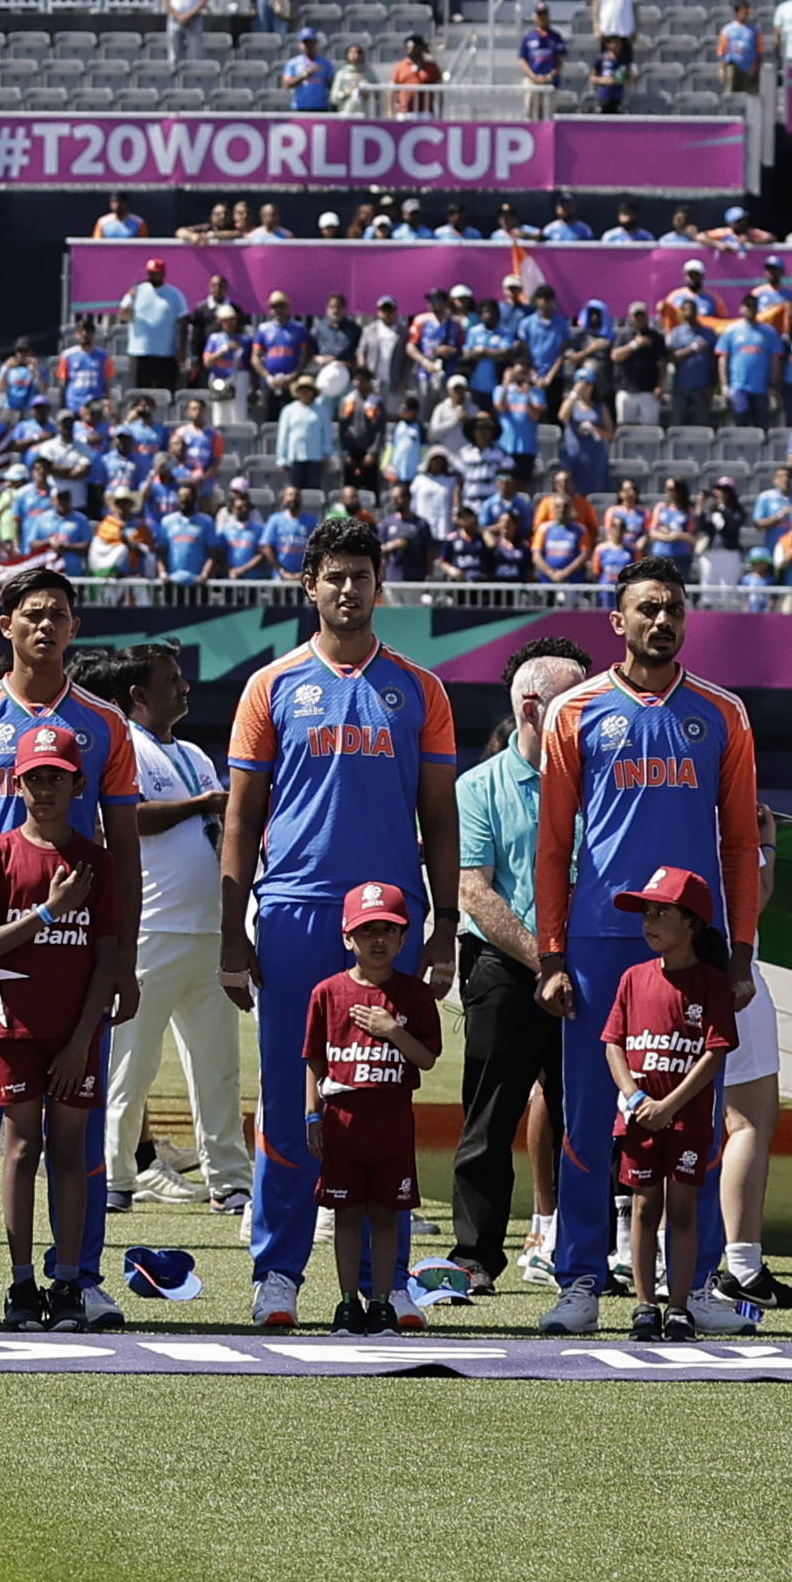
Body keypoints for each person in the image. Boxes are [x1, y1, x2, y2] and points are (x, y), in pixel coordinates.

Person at [218, 517, 460, 1327]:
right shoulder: (272, 685)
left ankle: (377, 1285)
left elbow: (440, 816)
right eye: (334, 575)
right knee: (294, 1097)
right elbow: (242, 819)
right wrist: (232, 927)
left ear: (378, 585)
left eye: (361, 574)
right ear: (308, 585)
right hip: (294, 907)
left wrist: (446, 920)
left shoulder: (419, 688)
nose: (347, 588)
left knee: (378, 1094)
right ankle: (278, 1272)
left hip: (389, 916)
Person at [533, 561, 761, 1336]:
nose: (662, 621)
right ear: (617, 622)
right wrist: (553, 953)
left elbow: (738, 844)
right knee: (594, 1117)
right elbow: (553, 843)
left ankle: (694, 1289)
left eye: (673, 609)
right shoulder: (575, 711)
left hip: (697, 949)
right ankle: (582, 1282)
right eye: (647, 609)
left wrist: (743, 951)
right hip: (600, 940)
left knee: (692, 1120)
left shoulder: (722, 712)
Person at [0, 566, 140, 1328]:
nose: (45, 625)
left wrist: (127, 961)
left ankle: (77, 1274)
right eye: (31, 613)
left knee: (74, 1119)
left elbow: (125, 851)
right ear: (5, 624)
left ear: (76, 628)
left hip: (78, 948)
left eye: (59, 615)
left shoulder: (105, 724)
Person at [0, 731, 116, 1327]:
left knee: (69, 1150)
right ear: (13, 784)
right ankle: (22, 1284)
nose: (45, 789)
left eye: (57, 777)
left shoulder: (96, 862)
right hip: (14, 1027)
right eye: (34, 778)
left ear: (79, 785)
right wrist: (49, 910)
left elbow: (107, 957)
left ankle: (68, 1281)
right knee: (22, 1148)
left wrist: (81, 1040)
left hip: (76, 1034)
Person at [448, 649, 581, 1300]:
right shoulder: (477, 787)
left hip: (585, 967)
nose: (590, 707)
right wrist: (548, 961)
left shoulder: (600, 779)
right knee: (491, 1116)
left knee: (584, 1117)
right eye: (574, 697)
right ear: (532, 708)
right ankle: (474, 1257)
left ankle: (589, 1254)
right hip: (505, 966)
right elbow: (475, 893)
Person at [98, 646, 245, 1223]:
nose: (185, 688)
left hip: (207, 931)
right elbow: (126, 818)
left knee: (218, 1066)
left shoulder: (193, 754)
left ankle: (229, 1180)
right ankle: (114, 1175)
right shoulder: (122, 744)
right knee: (130, 1064)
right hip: (152, 928)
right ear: (139, 694)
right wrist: (202, 804)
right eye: (172, 680)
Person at [599, 867, 738, 1335]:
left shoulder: (711, 984)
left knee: (682, 1210)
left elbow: (714, 1054)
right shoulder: (633, 978)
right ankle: (644, 1306)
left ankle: (679, 1305)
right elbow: (613, 1043)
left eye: (662, 912)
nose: (650, 921)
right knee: (642, 1207)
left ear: (693, 923)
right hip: (638, 1118)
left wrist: (670, 1106)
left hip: (686, 1120)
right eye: (647, 913)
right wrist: (635, 1096)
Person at [302, 883, 441, 1331]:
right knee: (346, 1217)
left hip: (392, 1123)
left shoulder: (414, 996)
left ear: (404, 939)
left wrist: (391, 1029)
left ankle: (382, 1300)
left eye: (388, 930)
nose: (377, 941)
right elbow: (314, 1060)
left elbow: (427, 1058)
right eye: (367, 931)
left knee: (386, 1217)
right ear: (347, 937)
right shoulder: (327, 992)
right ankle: (347, 1302)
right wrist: (311, 1115)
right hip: (342, 1122)